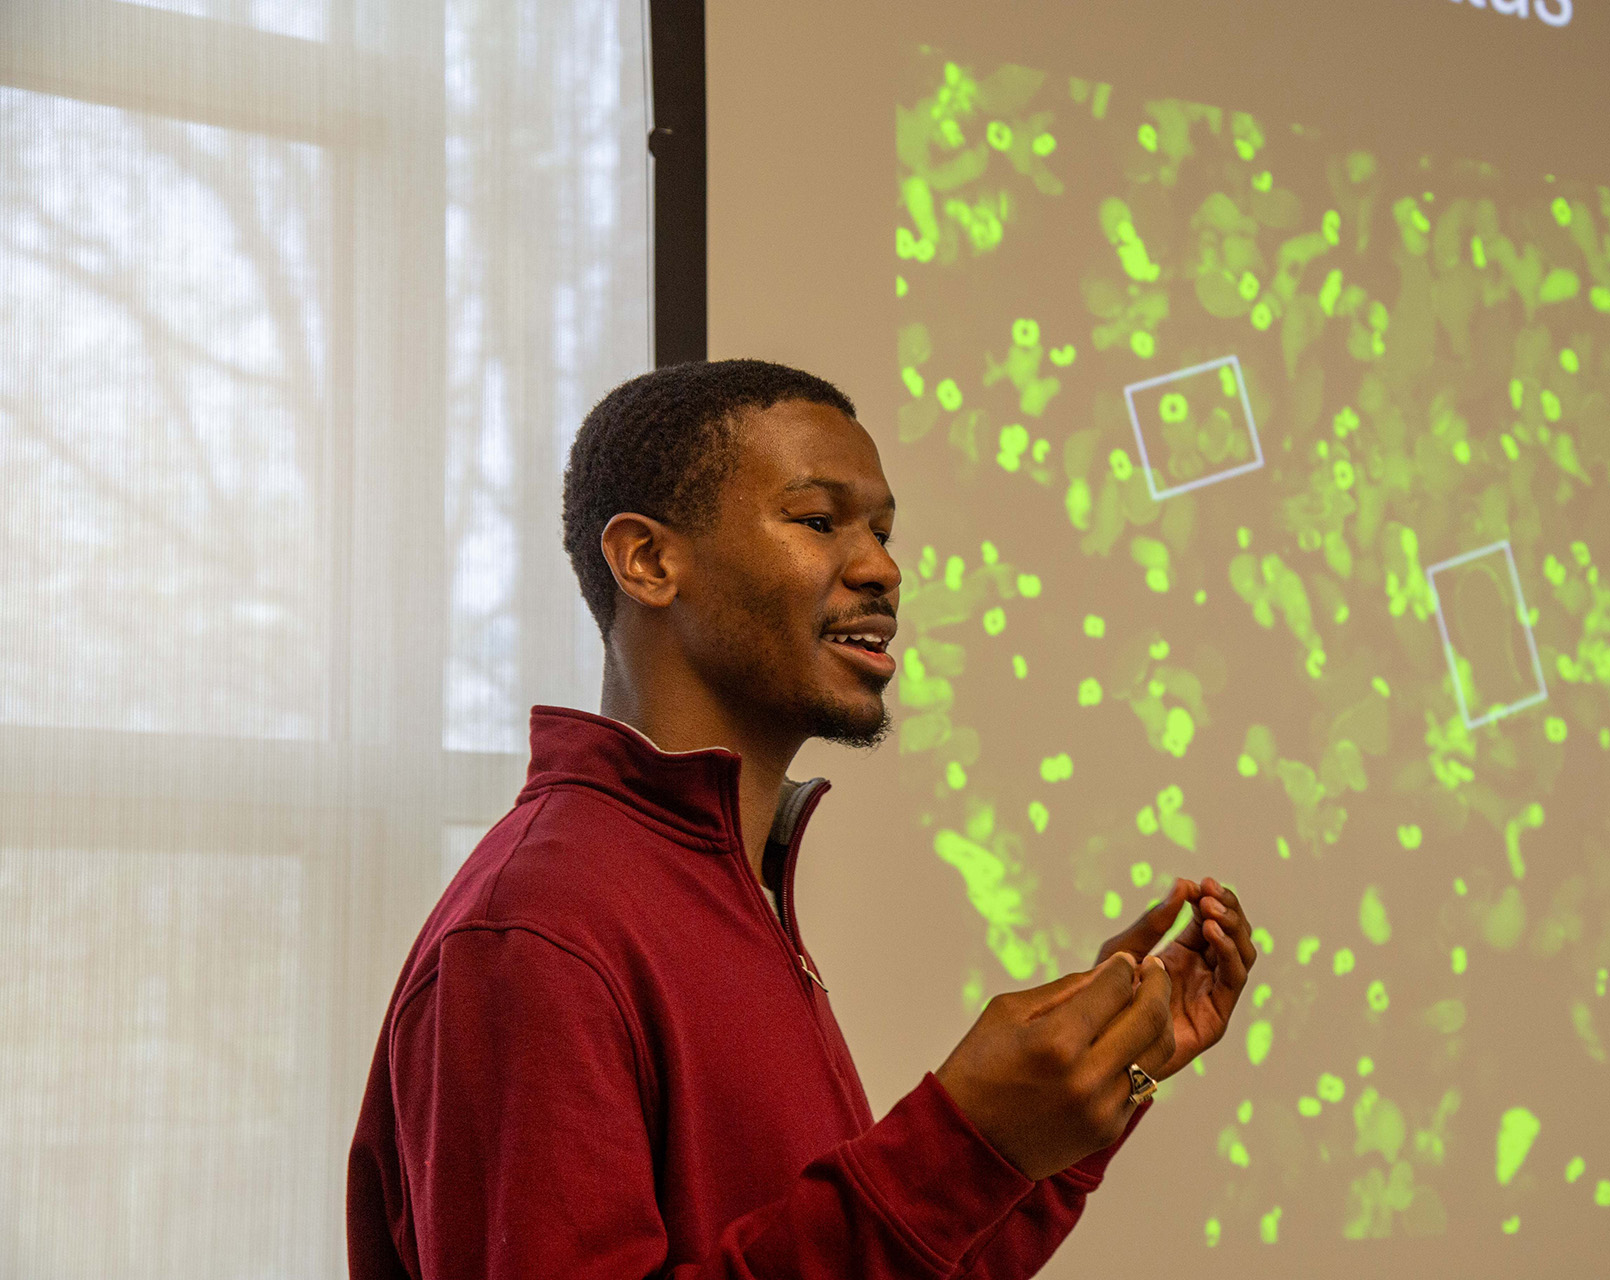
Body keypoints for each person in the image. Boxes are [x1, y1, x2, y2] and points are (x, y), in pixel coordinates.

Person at [346, 359, 1260, 1278]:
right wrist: (961, 1141)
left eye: (885, 532)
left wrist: (1072, 1106)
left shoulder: (720, 892)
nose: (883, 569)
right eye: (820, 522)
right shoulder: (538, 929)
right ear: (650, 561)